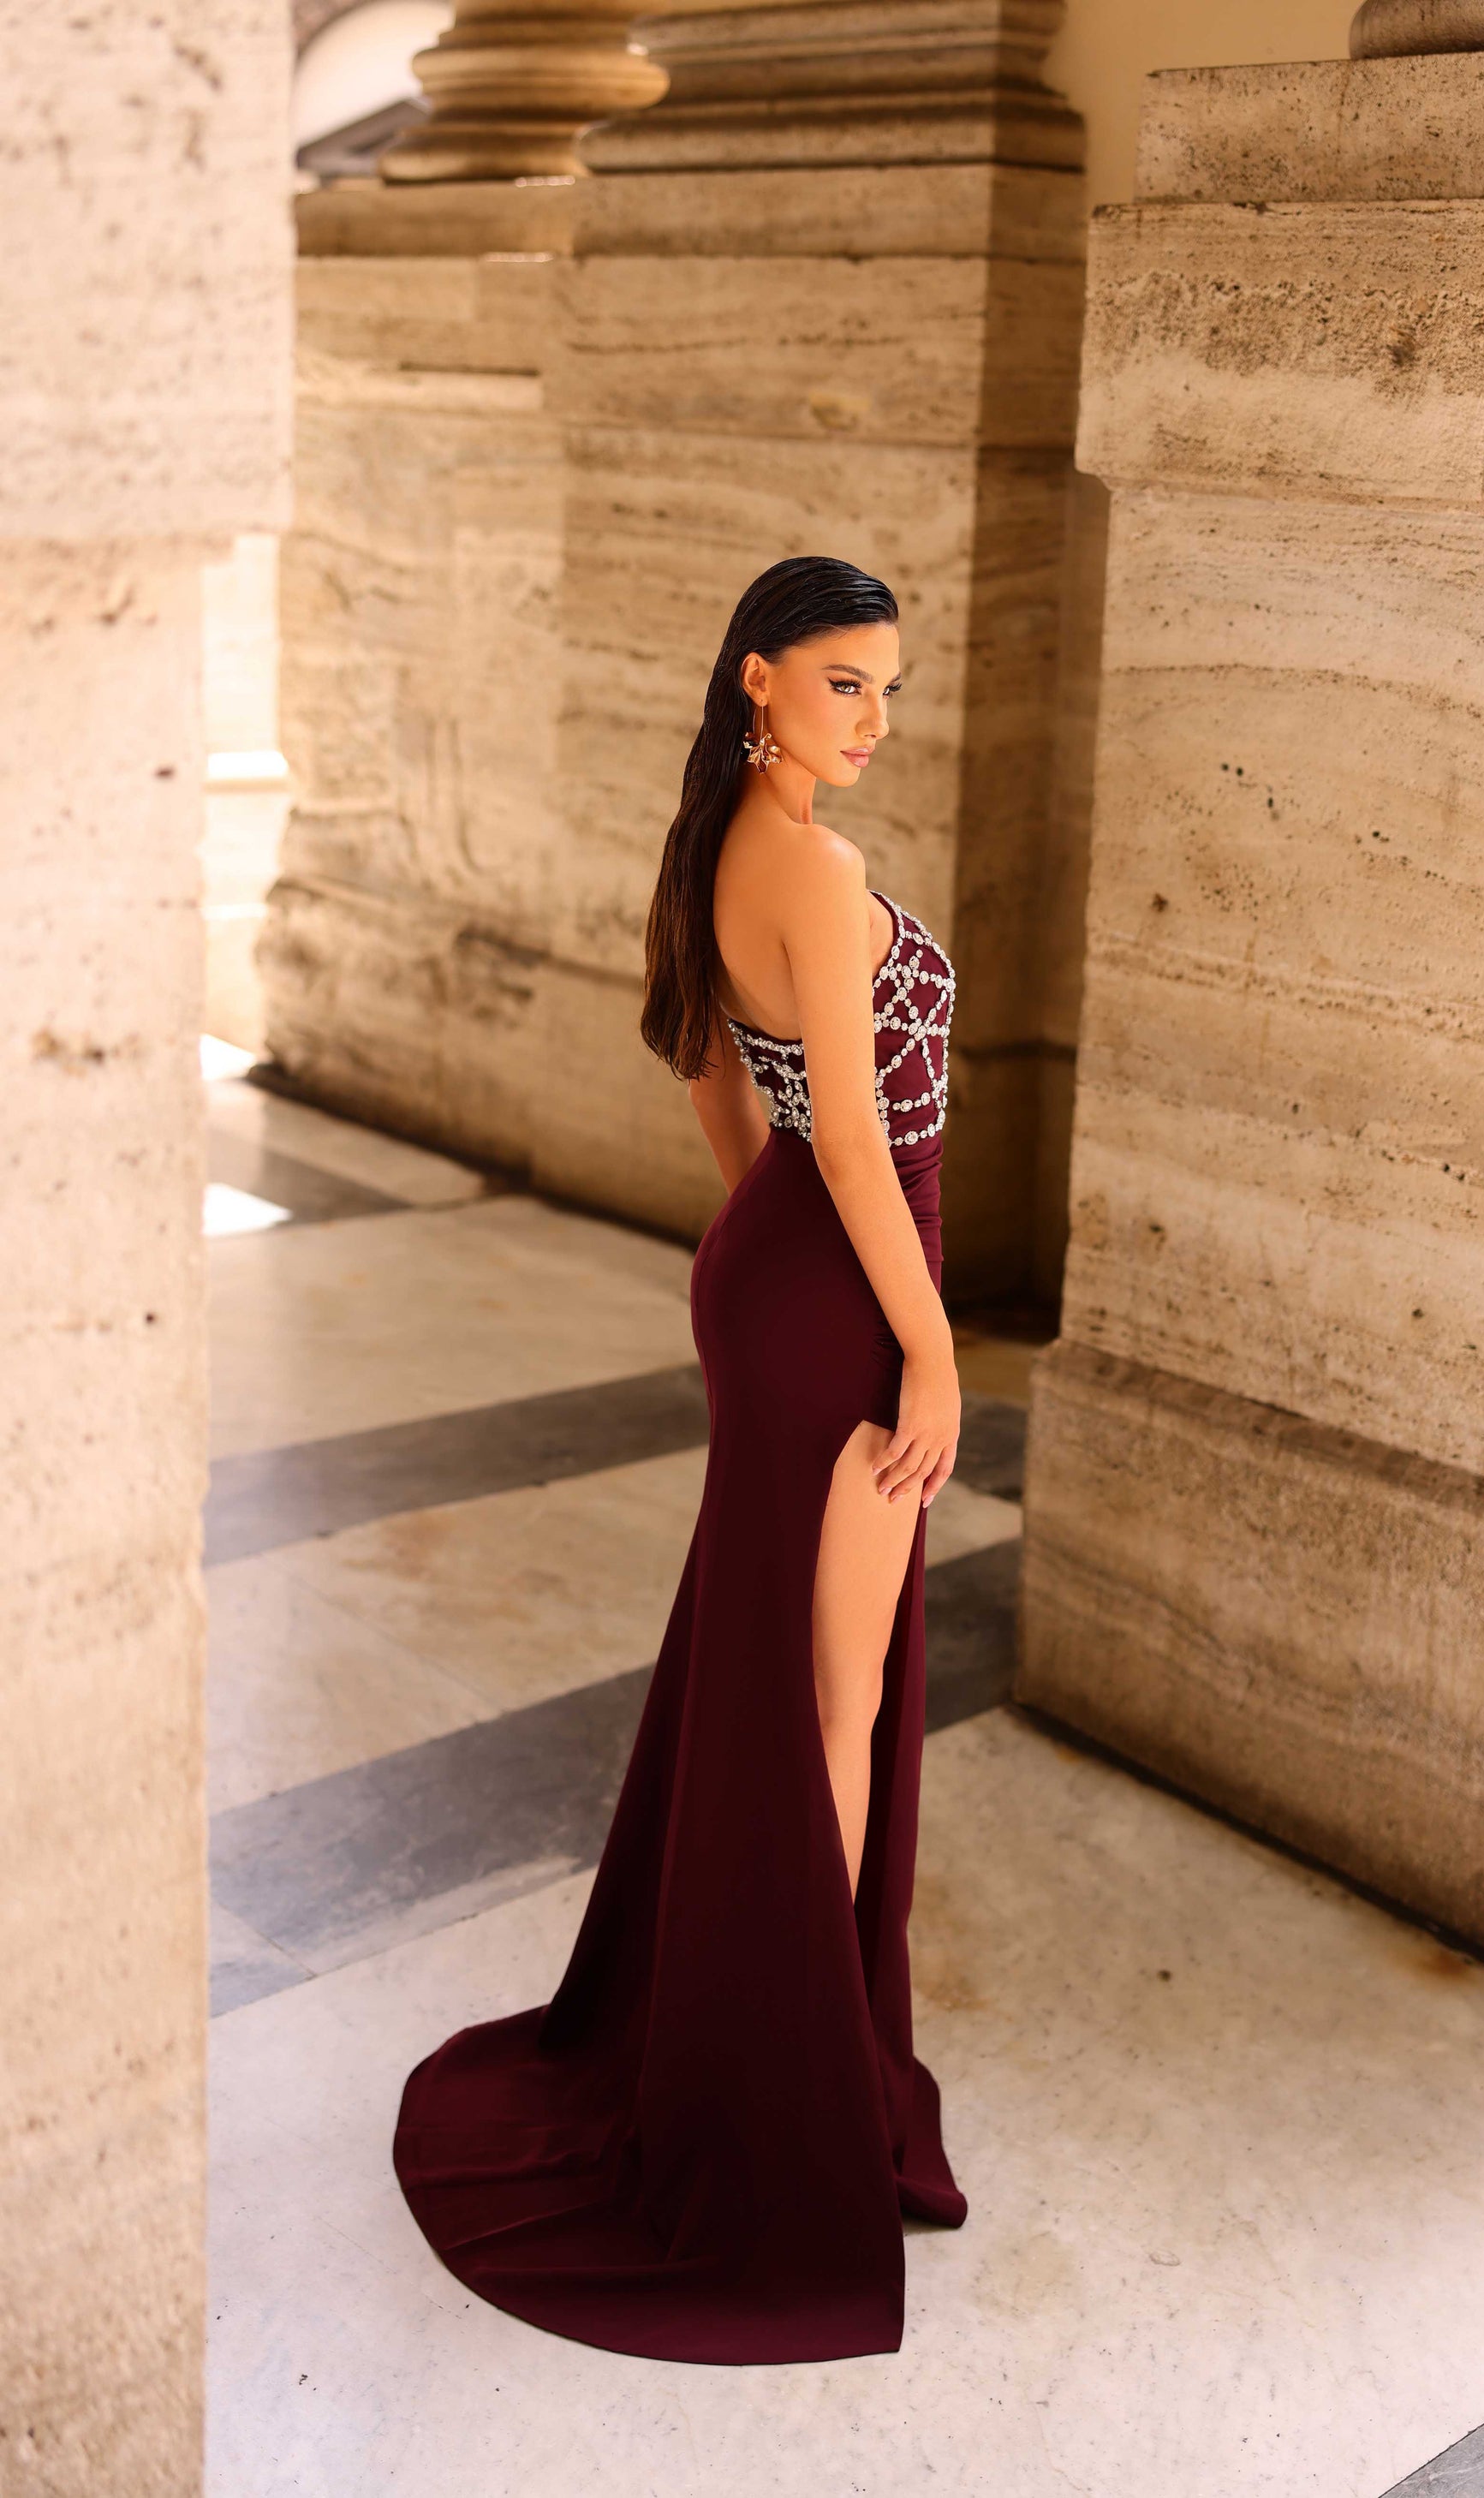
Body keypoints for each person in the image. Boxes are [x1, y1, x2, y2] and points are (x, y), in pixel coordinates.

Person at [392, 554, 968, 2365]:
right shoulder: (816, 864)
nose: (875, 717)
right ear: (758, 677)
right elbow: (863, 1156)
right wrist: (924, 1345)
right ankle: (804, 2104)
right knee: (834, 1698)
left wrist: (768, 1250)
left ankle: (797, 2055)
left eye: (887, 685)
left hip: (789, 1270)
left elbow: (720, 1078)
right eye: (843, 684)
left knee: (797, 1680)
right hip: (848, 1288)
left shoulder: (725, 835)